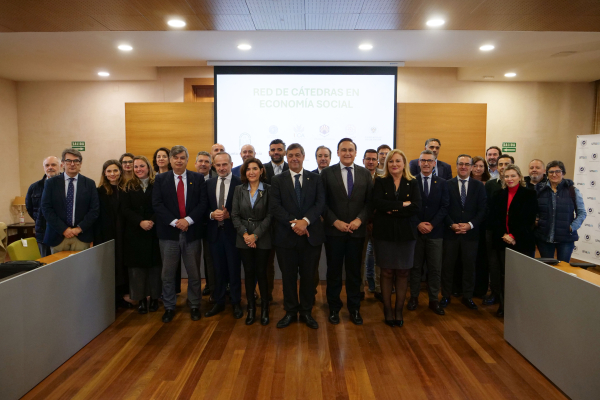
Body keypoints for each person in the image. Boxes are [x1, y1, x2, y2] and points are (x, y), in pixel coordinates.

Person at [270, 143, 325, 329]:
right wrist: (295, 223)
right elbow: (275, 207)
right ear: (286, 157)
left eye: (297, 155)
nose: (294, 158)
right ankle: (291, 311)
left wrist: (306, 221)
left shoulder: (315, 178)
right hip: (286, 237)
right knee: (288, 277)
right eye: (290, 155)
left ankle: (307, 311)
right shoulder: (278, 180)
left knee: (309, 277)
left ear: (303, 156)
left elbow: (320, 204)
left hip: (311, 236)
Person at [321, 138, 373, 326]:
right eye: (343, 150)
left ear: (356, 152)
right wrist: (335, 222)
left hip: (357, 233)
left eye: (350, 150)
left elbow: (369, 202)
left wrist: (360, 219)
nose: (347, 153)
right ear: (337, 152)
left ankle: (354, 309)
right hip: (334, 232)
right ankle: (334, 308)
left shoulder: (365, 174)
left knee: (354, 273)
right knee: (334, 271)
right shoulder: (327, 173)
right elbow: (322, 203)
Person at [153, 145, 207, 323]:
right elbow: (157, 205)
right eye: (175, 157)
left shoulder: (197, 178)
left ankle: (194, 305)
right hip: (169, 234)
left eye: (182, 157)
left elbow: (202, 204)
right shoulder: (161, 179)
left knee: (193, 273)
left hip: (192, 232)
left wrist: (188, 220)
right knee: (167, 274)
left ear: (187, 159)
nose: (178, 160)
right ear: (170, 160)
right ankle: (169, 306)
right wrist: (176, 222)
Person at [372, 149, 421, 327]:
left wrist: (391, 209)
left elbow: (416, 206)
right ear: (386, 164)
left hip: (406, 234)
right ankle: (387, 310)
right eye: (391, 161)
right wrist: (401, 205)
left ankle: (398, 310)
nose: (394, 164)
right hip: (384, 233)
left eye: (398, 161)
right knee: (386, 272)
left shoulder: (413, 182)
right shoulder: (380, 181)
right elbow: (377, 203)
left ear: (404, 164)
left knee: (403, 272)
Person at [490, 164, 538, 317]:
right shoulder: (498, 195)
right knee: (504, 276)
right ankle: (504, 307)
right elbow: (495, 219)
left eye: (513, 176)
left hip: (521, 242)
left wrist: (514, 236)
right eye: (507, 176)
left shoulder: (529, 194)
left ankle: (521, 308)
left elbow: (529, 220)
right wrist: (504, 235)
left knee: (520, 277)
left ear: (519, 177)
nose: (510, 179)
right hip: (502, 241)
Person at [440, 154, 486, 311]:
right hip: (450, 233)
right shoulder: (446, 184)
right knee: (447, 266)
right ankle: (446, 295)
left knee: (469, 267)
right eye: (461, 164)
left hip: (471, 234)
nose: (464, 167)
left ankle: (468, 296)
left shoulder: (479, 186)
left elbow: (482, 210)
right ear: (456, 165)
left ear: (472, 167)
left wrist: (470, 225)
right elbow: (443, 208)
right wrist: (451, 225)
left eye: (467, 164)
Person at [231, 157, 272, 325]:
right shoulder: (239, 190)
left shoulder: (269, 190)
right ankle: (251, 309)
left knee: (262, 273)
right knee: (248, 274)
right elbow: (234, 215)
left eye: (255, 168)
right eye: (248, 169)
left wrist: (255, 235)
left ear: (261, 171)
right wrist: (246, 235)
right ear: (244, 172)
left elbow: (270, 215)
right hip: (243, 238)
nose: (252, 172)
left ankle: (265, 310)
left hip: (263, 237)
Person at [407, 149, 449, 315]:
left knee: (435, 268)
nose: (425, 163)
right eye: (423, 160)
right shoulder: (411, 181)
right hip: (416, 232)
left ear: (434, 163)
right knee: (415, 268)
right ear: (418, 163)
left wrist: (431, 224)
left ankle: (433, 300)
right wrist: (418, 224)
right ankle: (414, 298)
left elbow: (445, 207)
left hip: (435, 232)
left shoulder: (443, 182)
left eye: (429, 161)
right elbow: (409, 206)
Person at [204, 152, 244, 319]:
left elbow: (245, 208)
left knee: (234, 270)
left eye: (225, 164)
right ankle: (219, 302)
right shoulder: (208, 184)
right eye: (218, 165)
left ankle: (236, 303)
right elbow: (202, 207)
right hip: (214, 234)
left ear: (231, 164)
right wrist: (212, 214)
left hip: (233, 234)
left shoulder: (240, 184)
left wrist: (231, 215)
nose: (221, 168)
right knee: (217, 270)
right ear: (214, 165)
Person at [121, 156, 162, 314]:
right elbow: (125, 209)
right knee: (137, 270)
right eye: (135, 166)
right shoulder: (128, 186)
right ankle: (141, 299)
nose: (138, 169)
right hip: (135, 232)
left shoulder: (157, 184)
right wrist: (140, 222)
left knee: (154, 268)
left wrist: (151, 221)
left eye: (141, 166)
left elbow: (161, 205)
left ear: (148, 167)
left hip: (154, 230)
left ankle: (154, 298)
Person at [41, 148, 99, 252]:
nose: (72, 164)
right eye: (68, 161)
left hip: (81, 236)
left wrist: (79, 229)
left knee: (80, 267)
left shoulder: (89, 184)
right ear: (63, 163)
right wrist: (64, 229)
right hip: (58, 235)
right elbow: (46, 208)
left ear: (80, 164)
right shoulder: (51, 183)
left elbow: (94, 210)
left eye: (76, 161)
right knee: (58, 268)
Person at [535, 160, 586, 262]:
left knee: (564, 269)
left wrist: (572, 227)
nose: (554, 174)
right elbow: (535, 210)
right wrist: (537, 221)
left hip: (566, 239)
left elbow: (582, 213)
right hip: (544, 238)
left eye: (558, 171)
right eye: (551, 172)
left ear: (563, 173)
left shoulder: (572, 191)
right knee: (547, 268)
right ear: (547, 174)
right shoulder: (539, 190)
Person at [94, 159, 128, 308]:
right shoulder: (99, 191)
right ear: (104, 173)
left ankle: (122, 296)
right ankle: (111, 298)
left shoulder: (126, 189)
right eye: (109, 171)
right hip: (107, 234)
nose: (112, 174)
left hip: (124, 234)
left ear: (120, 171)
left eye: (115, 170)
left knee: (123, 264)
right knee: (110, 266)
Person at [482, 154, 514, 306]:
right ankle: (495, 293)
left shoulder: (519, 187)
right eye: (500, 164)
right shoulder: (490, 184)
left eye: (506, 164)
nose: (502, 167)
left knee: (509, 267)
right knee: (494, 265)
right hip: (493, 231)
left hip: (512, 234)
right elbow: (487, 209)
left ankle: (509, 297)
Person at [263, 138, 288, 304]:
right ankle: (267, 296)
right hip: (267, 225)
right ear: (269, 152)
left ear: (284, 152)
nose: (276, 152)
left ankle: (290, 298)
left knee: (288, 266)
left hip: (287, 225)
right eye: (273, 150)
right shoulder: (261, 169)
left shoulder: (292, 168)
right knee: (266, 265)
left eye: (279, 149)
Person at [26, 156, 60, 257]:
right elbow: (30, 208)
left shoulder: (66, 184)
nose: (50, 167)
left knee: (61, 263)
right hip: (42, 232)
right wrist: (39, 219)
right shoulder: (34, 187)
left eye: (53, 165)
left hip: (62, 232)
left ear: (61, 166)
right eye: (47, 165)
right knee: (45, 263)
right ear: (44, 167)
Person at [195, 151, 216, 296]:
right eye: (200, 161)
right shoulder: (190, 179)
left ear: (211, 164)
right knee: (196, 258)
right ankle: (207, 284)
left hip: (212, 224)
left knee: (211, 257)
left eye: (206, 161)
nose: (203, 164)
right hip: (193, 225)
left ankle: (213, 284)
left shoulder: (216, 179)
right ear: (195, 164)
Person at [361, 149, 379, 297]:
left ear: (378, 162)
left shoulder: (383, 178)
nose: (371, 162)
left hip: (379, 224)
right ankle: (360, 289)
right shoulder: (358, 176)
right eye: (368, 159)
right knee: (360, 259)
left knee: (379, 259)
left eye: (374, 159)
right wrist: (365, 220)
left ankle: (379, 288)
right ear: (363, 160)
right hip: (361, 224)